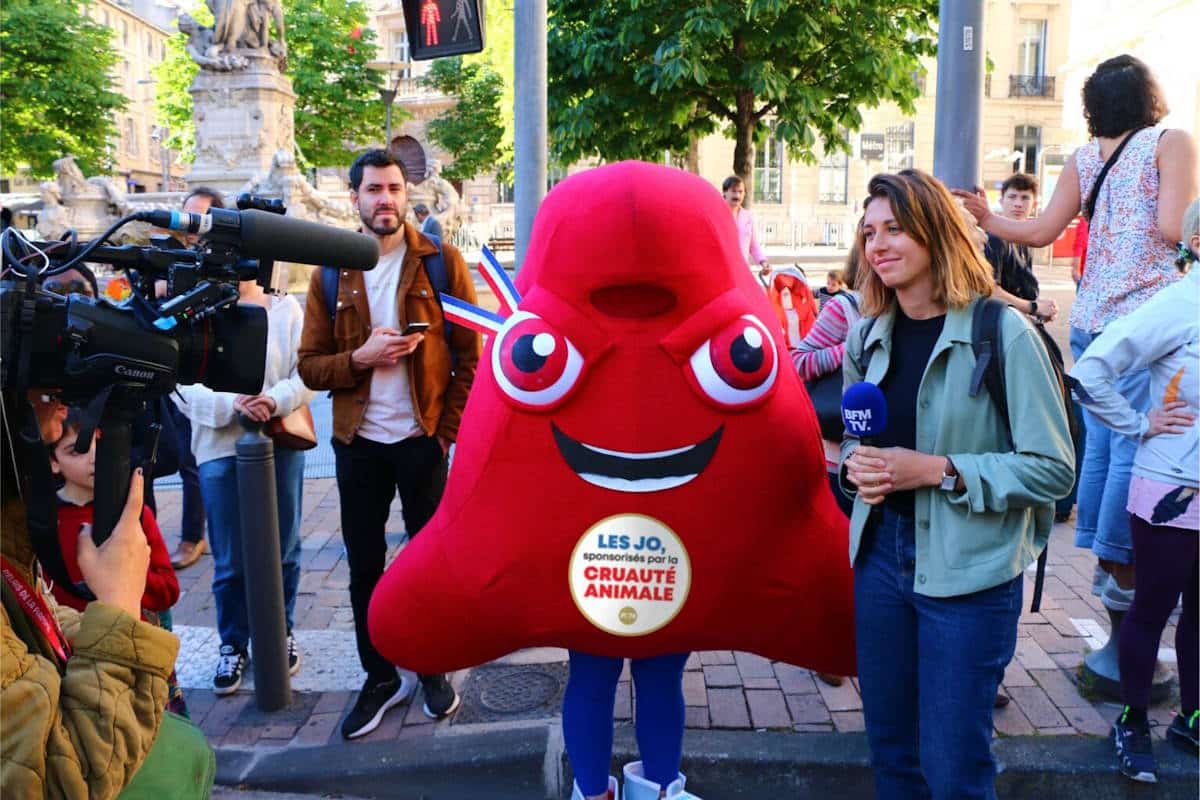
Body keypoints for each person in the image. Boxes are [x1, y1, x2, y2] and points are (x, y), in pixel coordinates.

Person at [842, 170, 1074, 799]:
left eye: (895, 229)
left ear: (934, 231)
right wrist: (855, 469)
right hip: (881, 563)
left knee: (953, 768)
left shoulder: (1004, 333)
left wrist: (940, 470)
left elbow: (1054, 469)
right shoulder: (865, 336)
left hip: (969, 575)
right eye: (869, 233)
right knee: (891, 756)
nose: (879, 246)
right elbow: (858, 446)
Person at [954, 55, 1198, 596]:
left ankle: (1098, 547)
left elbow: (1039, 231)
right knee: (1136, 441)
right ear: (1148, 96)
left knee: (1103, 445)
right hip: (1141, 321)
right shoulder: (1170, 142)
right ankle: (1119, 563)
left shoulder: (1087, 157)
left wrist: (987, 217)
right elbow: (1173, 227)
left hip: (1091, 319)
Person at [298, 148, 481, 738]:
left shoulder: (439, 262)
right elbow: (310, 367)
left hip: (422, 440)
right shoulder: (329, 272)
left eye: (395, 189)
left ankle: (430, 666)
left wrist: (445, 435)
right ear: (354, 197)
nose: (386, 200)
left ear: (407, 195)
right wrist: (361, 358)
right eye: (374, 189)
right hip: (358, 444)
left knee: (430, 562)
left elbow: (469, 358)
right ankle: (379, 676)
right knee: (364, 567)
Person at [1, 389, 213, 798]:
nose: (60, 402)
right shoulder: (45, 521)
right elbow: (64, 778)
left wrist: (118, 612)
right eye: (43, 387)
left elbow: (30, 613)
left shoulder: (28, 524)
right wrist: (117, 604)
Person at [1070, 197, 1200, 783]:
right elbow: (1090, 370)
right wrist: (1139, 422)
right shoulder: (1177, 304)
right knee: (1152, 607)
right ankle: (1132, 721)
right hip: (1172, 486)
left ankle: (1192, 717)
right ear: (1197, 241)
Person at [173, 264, 315, 695]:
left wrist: (274, 400)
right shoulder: (194, 311)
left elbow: (305, 372)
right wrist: (231, 404)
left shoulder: (286, 308)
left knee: (284, 545)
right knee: (230, 556)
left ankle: (280, 631)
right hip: (219, 447)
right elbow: (179, 384)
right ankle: (233, 643)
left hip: (279, 435)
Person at [49, 408, 188, 716]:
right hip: (78, 661)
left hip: (138, 652)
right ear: (53, 461)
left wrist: (127, 578)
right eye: (78, 450)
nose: (94, 457)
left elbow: (167, 590)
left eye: (101, 443)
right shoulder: (43, 525)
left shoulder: (134, 514)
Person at [159, 188, 223, 570]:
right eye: (188, 217)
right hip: (169, 370)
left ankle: (193, 535)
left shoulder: (225, 262)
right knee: (173, 453)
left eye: (200, 218)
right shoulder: (170, 256)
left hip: (206, 373)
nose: (192, 227)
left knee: (193, 458)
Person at [981, 173, 1059, 322]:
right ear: (1001, 201)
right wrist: (1034, 307)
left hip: (1012, 320)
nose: (1018, 204)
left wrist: (1039, 308)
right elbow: (989, 291)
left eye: (1025, 198)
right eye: (1012, 197)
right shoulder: (995, 238)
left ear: (1034, 204)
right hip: (997, 324)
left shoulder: (1025, 239)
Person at [722, 175, 771, 277]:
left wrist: (764, 263)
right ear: (725, 192)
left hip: (741, 271)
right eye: (734, 191)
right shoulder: (717, 214)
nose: (737, 195)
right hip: (721, 270)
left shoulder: (748, 217)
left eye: (740, 192)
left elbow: (753, 246)